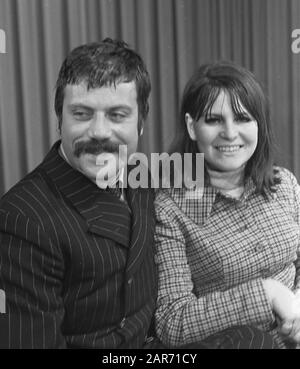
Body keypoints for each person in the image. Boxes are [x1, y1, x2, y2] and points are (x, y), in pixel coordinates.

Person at [0, 40, 276, 349]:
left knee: (252, 341)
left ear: (141, 124)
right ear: (59, 120)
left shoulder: (145, 176)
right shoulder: (21, 218)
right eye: (82, 114)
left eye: (117, 115)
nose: (100, 131)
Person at [154, 61, 300, 349]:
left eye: (243, 118)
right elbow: (174, 322)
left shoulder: (286, 185)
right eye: (213, 120)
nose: (230, 133)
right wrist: (268, 294)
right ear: (191, 127)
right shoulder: (169, 209)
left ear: (259, 125)